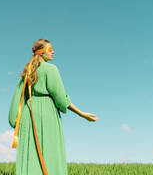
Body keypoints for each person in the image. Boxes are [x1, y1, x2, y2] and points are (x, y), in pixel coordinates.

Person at [8, 38, 98, 175]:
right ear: (41, 52)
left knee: (30, 151)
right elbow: (61, 98)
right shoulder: (51, 69)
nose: (53, 52)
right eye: (50, 49)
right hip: (47, 113)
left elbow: (17, 97)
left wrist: (14, 120)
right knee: (50, 151)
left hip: (29, 113)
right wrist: (82, 114)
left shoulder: (27, 71)